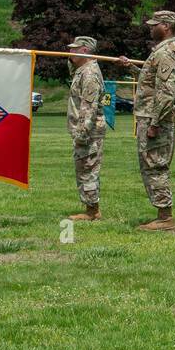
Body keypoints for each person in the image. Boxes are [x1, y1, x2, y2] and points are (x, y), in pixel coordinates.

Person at [119, 10, 175, 231]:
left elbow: (166, 93)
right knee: (151, 165)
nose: (150, 27)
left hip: (156, 119)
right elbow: (152, 81)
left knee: (156, 165)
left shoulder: (166, 52)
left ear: (166, 26)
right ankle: (162, 215)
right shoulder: (162, 51)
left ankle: (165, 218)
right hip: (151, 116)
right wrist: (132, 67)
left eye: (154, 24)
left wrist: (155, 124)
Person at [66, 35, 106, 221]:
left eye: (74, 49)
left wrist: (81, 134)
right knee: (84, 168)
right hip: (84, 130)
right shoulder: (82, 70)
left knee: (88, 168)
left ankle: (93, 211)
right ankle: (90, 207)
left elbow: (89, 108)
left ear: (84, 50)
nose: (70, 51)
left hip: (88, 131)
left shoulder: (89, 74)